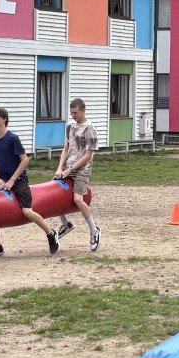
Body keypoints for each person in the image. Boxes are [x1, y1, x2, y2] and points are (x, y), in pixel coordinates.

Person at [0, 106, 61, 257]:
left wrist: (12, 180)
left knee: (27, 211)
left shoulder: (12, 138)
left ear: (4, 119)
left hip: (18, 180)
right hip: (2, 181)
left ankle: (51, 234)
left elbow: (25, 160)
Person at [52, 98, 102, 251]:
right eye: (71, 113)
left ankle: (94, 230)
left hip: (82, 169)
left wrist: (70, 170)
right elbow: (66, 149)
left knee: (78, 200)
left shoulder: (90, 129)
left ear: (83, 110)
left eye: (76, 113)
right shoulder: (70, 126)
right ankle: (66, 224)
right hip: (67, 167)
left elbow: (88, 156)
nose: (73, 116)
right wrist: (60, 168)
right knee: (54, 194)